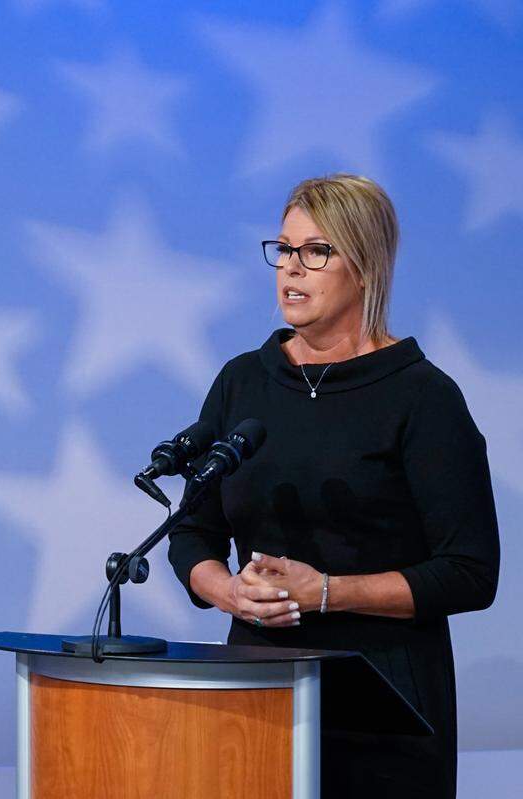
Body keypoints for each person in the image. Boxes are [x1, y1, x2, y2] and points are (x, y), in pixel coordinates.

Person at [166, 174, 499, 798]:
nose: (292, 269)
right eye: (284, 249)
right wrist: (228, 592)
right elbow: (192, 532)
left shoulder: (423, 398)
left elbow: (470, 571)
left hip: (388, 708)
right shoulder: (243, 382)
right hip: (257, 695)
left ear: (366, 267)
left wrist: (326, 592)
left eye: (317, 252)